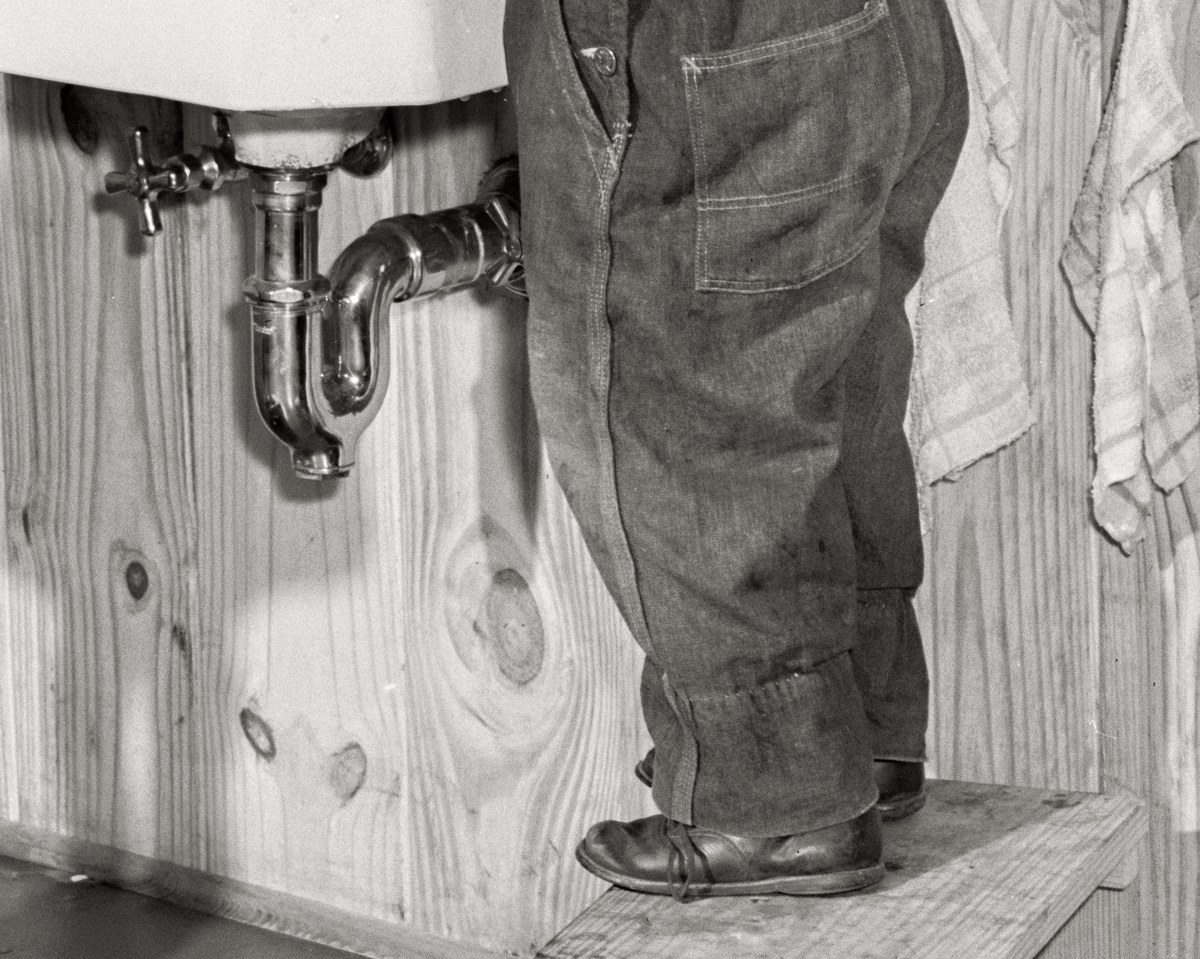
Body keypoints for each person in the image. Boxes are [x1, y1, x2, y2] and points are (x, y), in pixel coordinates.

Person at [503, 0, 969, 898]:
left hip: (713, 42)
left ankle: (779, 802)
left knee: (676, 390)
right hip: (886, 34)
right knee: (829, 365)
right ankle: (860, 735)